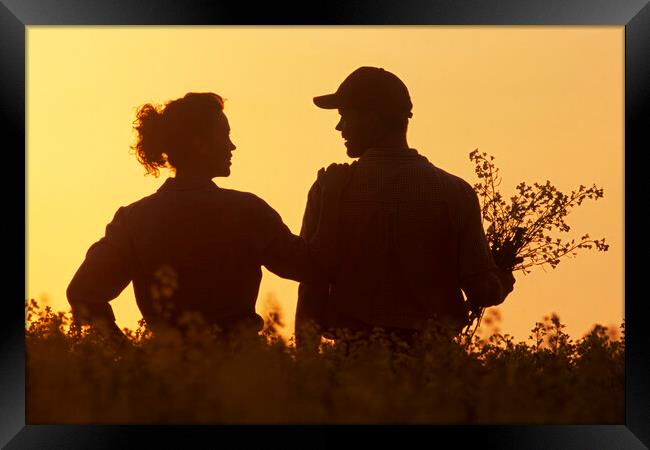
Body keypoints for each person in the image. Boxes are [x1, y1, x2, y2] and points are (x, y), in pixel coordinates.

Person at [67, 92, 346, 343]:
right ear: (199, 144)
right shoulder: (246, 211)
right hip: (241, 374)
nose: (232, 146)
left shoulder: (132, 220)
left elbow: (83, 294)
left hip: (168, 377)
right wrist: (327, 204)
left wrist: (127, 358)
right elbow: (310, 268)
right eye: (224, 135)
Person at [295, 67, 517, 349]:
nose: (339, 127)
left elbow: (311, 284)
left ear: (373, 118)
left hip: (354, 362)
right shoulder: (454, 192)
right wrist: (502, 279)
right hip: (433, 364)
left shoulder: (330, 189)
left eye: (345, 115)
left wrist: (303, 370)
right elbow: (481, 290)